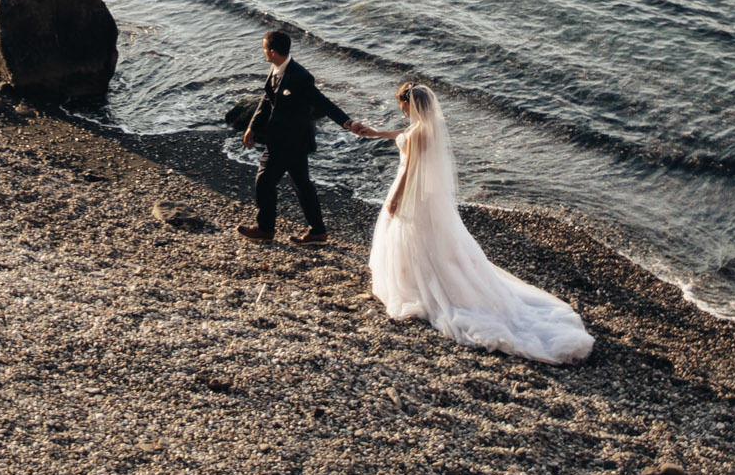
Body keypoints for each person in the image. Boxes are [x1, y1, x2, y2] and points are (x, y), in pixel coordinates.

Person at [356, 84, 594, 363]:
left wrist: (395, 197)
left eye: (402, 105)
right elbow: (405, 136)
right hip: (424, 195)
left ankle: (418, 284)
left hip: (410, 192)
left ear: (409, 105)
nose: (401, 110)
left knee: (414, 239)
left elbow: (409, 169)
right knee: (423, 240)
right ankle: (416, 279)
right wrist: (377, 133)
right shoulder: (424, 128)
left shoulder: (418, 132)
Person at [238, 31, 378, 246]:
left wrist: (348, 123)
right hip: (290, 141)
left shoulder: (300, 77)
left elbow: (323, 103)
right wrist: (252, 127)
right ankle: (318, 232)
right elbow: (266, 100)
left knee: (264, 181)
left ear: (272, 51)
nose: (263, 52)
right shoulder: (276, 69)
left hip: (288, 142)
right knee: (302, 185)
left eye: (264, 48)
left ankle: (265, 229)